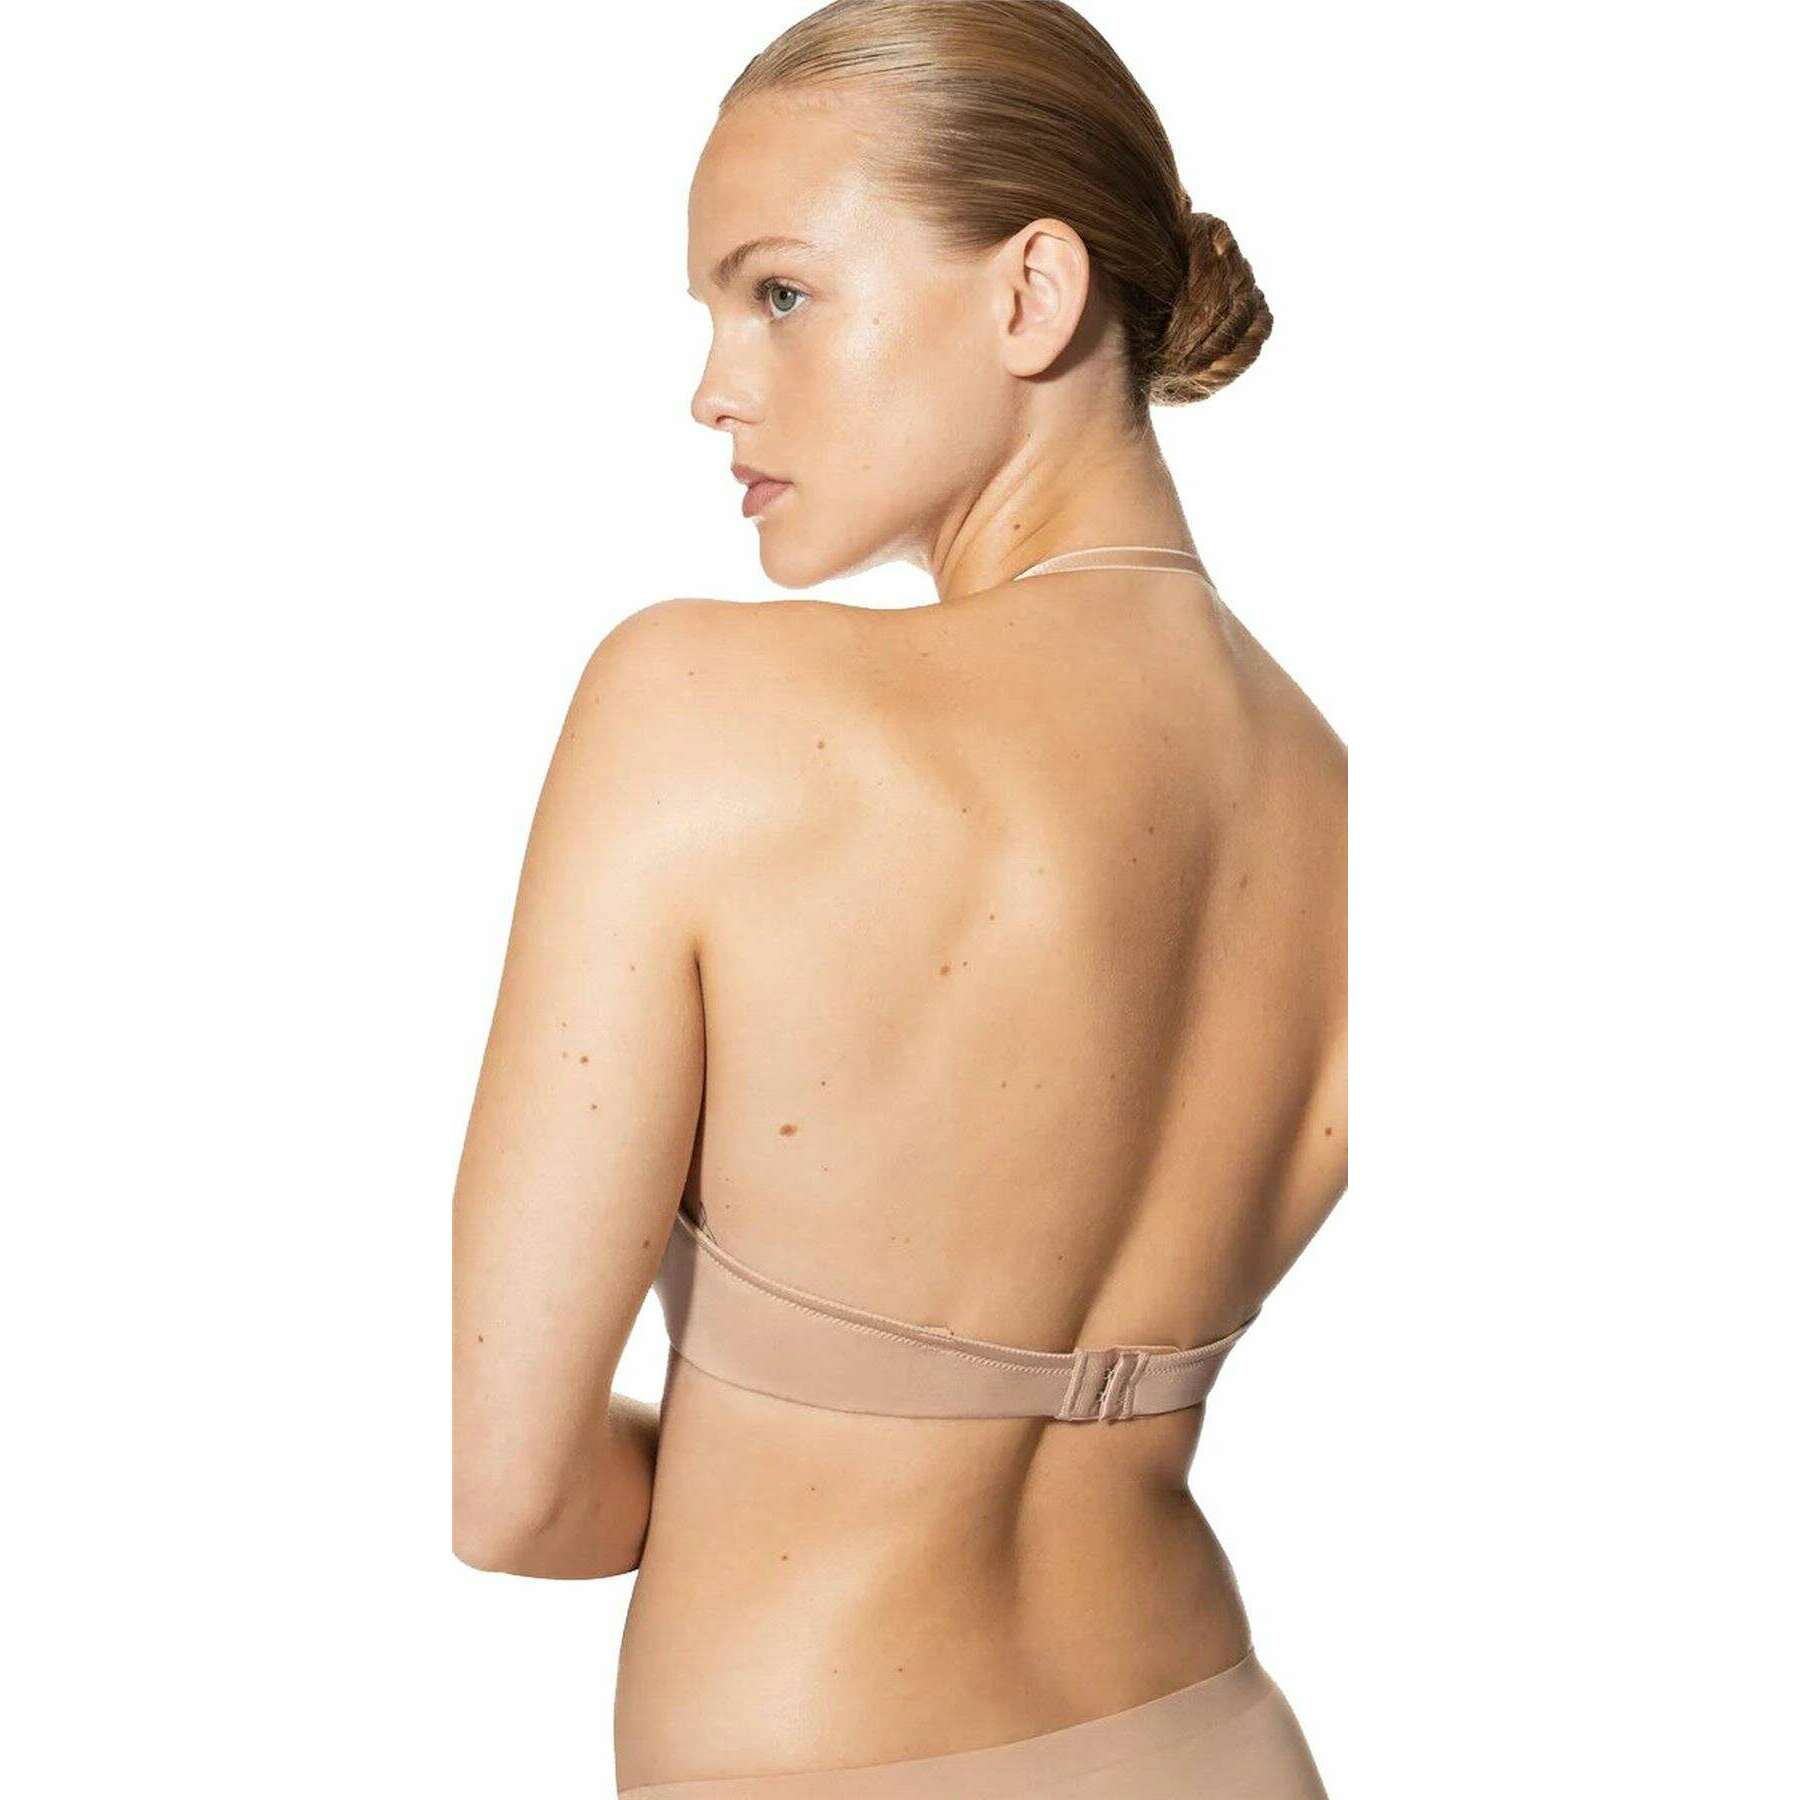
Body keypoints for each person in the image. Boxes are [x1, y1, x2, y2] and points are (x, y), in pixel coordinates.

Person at [451, 2, 1345, 1793]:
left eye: (779, 292)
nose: (713, 386)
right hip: (1217, 1734)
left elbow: (517, 1494)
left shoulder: (702, 704)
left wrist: (783, 1475)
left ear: (1032, 295)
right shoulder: (1339, 793)